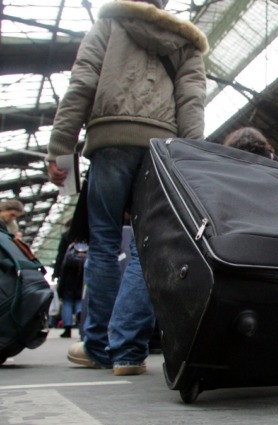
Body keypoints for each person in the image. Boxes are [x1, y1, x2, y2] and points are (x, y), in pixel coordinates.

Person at [46, 0, 208, 376]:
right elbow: (191, 102)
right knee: (143, 251)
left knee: (103, 245)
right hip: (160, 149)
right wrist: (189, 158)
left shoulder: (108, 25)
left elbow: (82, 82)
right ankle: (128, 352)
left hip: (110, 141)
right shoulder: (187, 43)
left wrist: (60, 146)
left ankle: (98, 346)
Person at [52, 219, 86, 339]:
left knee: (67, 301)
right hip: (83, 272)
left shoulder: (67, 236)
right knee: (79, 299)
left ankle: (67, 328)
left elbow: (60, 255)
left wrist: (56, 273)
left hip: (67, 273)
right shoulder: (87, 235)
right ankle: (80, 316)